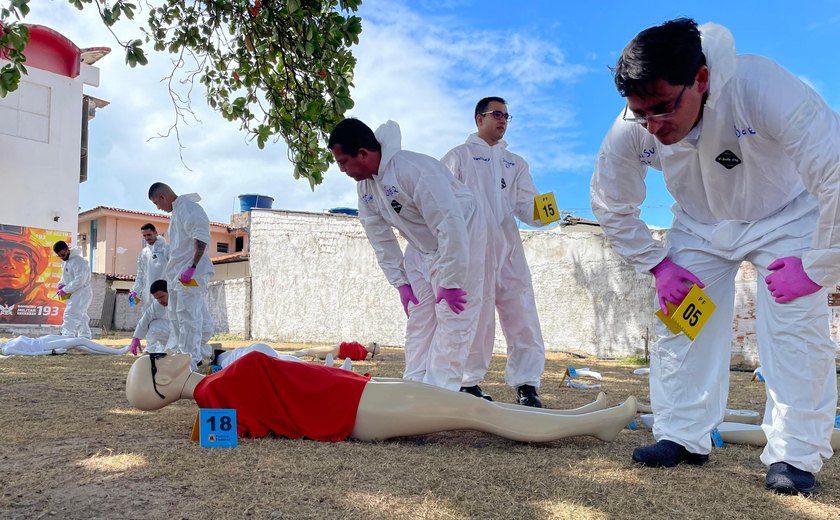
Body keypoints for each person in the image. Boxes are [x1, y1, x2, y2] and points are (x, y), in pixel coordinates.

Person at [590, 18, 840, 495]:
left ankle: (794, 455)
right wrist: (658, 264)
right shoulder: (633, 126)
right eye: (640, 112)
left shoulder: (761, 87)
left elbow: (837, 170)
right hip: (699, 226)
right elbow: (609, 201)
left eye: (662, 108)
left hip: (786, 217)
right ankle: (682, 436)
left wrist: (817, 266)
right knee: (682, 326)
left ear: (701, 80)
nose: (653, 125)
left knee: (794, 331)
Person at [125, 351, 637, 443]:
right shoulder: (214, 396)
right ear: (161, 385)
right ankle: (593, 423)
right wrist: (199, 422)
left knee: (476, 409)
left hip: (362, 394)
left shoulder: (216, 388)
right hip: (356, 411)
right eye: (158, 360)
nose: (167, 353)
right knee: (478, 414)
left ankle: (584, 415)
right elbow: (219, 439)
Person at [328, 119, 490, 392]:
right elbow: (380, 238)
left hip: (463, 237)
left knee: (452, 316)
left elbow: (449, 222)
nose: (341, 169)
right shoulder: (366, 188)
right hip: (420, 245)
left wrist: (450, 281)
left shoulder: (413, 169)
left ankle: (440, 392)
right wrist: (401, 282)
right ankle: (414, 385)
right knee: (419, 315)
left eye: (343, 161)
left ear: (364, 154)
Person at [442, 97, 547, 407]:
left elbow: (529, 206)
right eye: (496, 114)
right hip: (473, 251)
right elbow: (442, 203)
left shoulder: (516, 163)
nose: (502, 120)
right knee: (478, 313)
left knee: (522, 312)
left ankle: (527, 385)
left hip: (509, 250)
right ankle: (468, 382)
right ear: (479, 119)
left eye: (507, 116)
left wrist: (552, 212)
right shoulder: (457, 158)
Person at [148, 182, 215, 371]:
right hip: (177, 274)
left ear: (163, 196)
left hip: (191, 273)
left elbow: (200, 238)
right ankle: (182, 355)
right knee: (176, 316)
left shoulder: (189, 208)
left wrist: (192, 267)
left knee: (188, 316)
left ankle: (190, 361)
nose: (158, 208)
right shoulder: (178, 212)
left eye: (156, 203)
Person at [0, 226, 57, 323]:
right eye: (0, 257)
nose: (9, 265)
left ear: (33, 269)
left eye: (19, 259)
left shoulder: (54, 312)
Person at [53, 241, 92, 338]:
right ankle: (85, 338)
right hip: (75, 293)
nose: (62, 257)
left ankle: (66, 337)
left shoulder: (78, 261)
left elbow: (80, 280)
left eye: (62, 254)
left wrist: (65, 290)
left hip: (81, 293)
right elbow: (65, 277)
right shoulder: (66, 261)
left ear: (67, 249)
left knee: (70, 315)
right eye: (59, 256)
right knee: (81, 317)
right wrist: (61, 285)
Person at [130, 279, 175, 355]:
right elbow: (145, 319)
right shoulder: (157, 304)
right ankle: (167, 351)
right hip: (173, 330)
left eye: (161, 297)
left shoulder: (180, 300)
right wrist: (136, 338)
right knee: (154, 325)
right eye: (157, 298)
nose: (160, 301)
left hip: (188, 333)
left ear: (169, 291)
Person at [130, 223, 169, 310]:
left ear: (155, 233)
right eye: (144, 236)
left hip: (164, 295)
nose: (147, 238)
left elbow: (175, 269)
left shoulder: (167, 249)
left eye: (149, 234)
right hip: (147, 296)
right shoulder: (144, 253)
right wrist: (134, 291)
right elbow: (140, 275)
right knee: (147, 321)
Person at [1, 335, 128, 356]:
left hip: (42, 339)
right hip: (44, 346)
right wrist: (52, 352)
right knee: (81, 340)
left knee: (75, 342)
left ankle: (107, 352)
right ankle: (117, 352)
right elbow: (30, 354)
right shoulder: (8, 350)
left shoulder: (7, 342)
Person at [290, 341, 379, 361]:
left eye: (374, 343)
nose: (372, 342)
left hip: (336, 351)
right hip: (336, 348)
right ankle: (286, 354)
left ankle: (288, 356)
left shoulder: (363, 353)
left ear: (373, 348)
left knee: (307, 352)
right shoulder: (362, 349)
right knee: (308, 351)